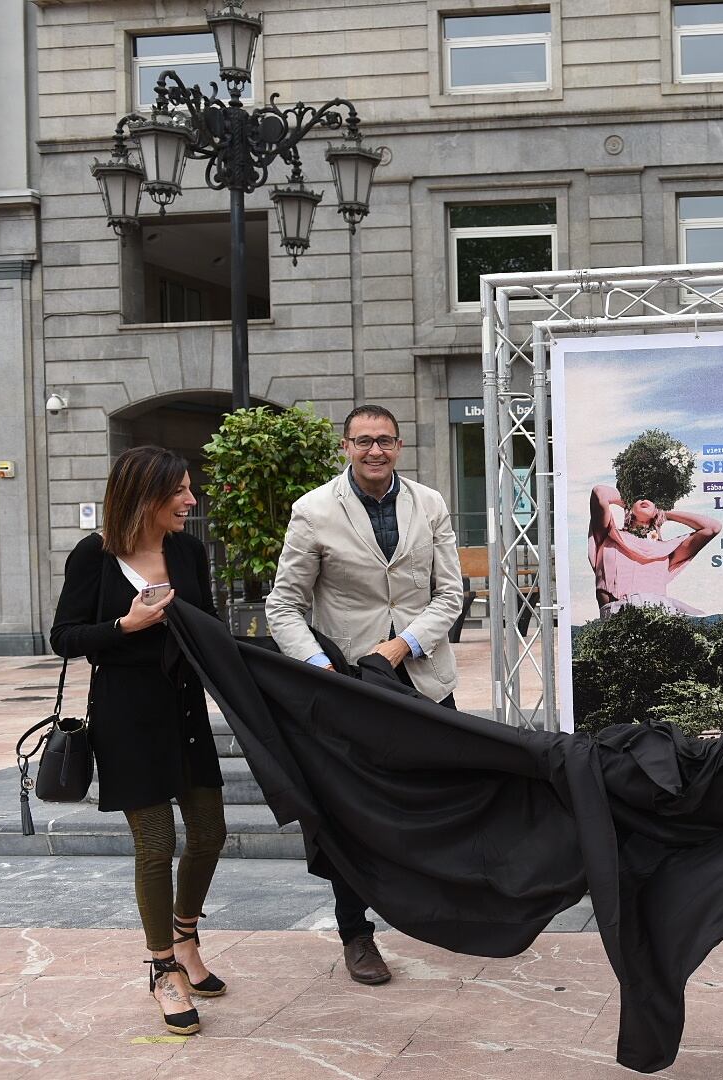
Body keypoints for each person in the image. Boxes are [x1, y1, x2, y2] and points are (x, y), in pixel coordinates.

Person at [266, 404, 464, 985]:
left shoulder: (430, 504)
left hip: (423, 678)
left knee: (440, 804)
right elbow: (284, 606)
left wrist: (403, 645)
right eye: (363, 441)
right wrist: (318, 666)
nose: (375, 451)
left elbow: (450, 594)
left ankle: (445, 912)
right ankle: (356, 932)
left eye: (385, 441)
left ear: (399, 447)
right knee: (347, 814)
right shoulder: (314, 511)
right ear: (345, 447)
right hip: (348, 687)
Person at [50, 446, 226, 1036]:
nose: (190, 500)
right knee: (155, 842)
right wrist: (127, 625)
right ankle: (162, 968)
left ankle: (186, 934)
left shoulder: (188, 551)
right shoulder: (93, 556)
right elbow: (65, 637)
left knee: (209, 831)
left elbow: (210, 624)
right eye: (179, 490)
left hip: (185, 709)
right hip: (126, 715)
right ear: (146, 496)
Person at [588, 483, 720, 617]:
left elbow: (712, 528)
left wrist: (664, 512)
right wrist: (630, 499)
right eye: (639, 496)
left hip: (658, 624)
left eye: (651, 498)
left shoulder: (667, 550)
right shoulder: (609, 535)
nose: (644, 498)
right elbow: (599, 492)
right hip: (616, 623)